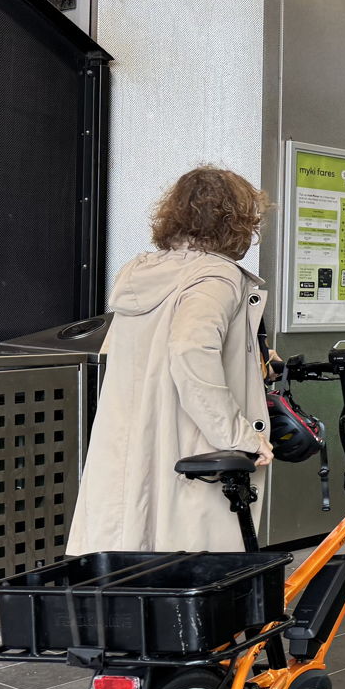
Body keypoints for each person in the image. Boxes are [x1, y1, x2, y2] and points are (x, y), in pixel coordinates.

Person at [66, 165, 273, 555]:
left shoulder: (141, 272)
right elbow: (190, 350)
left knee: (135, 568)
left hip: (132, 446)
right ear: (238, 220)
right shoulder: (215, 276)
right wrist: (240, 436)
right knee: (192, 579)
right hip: (187, 449)